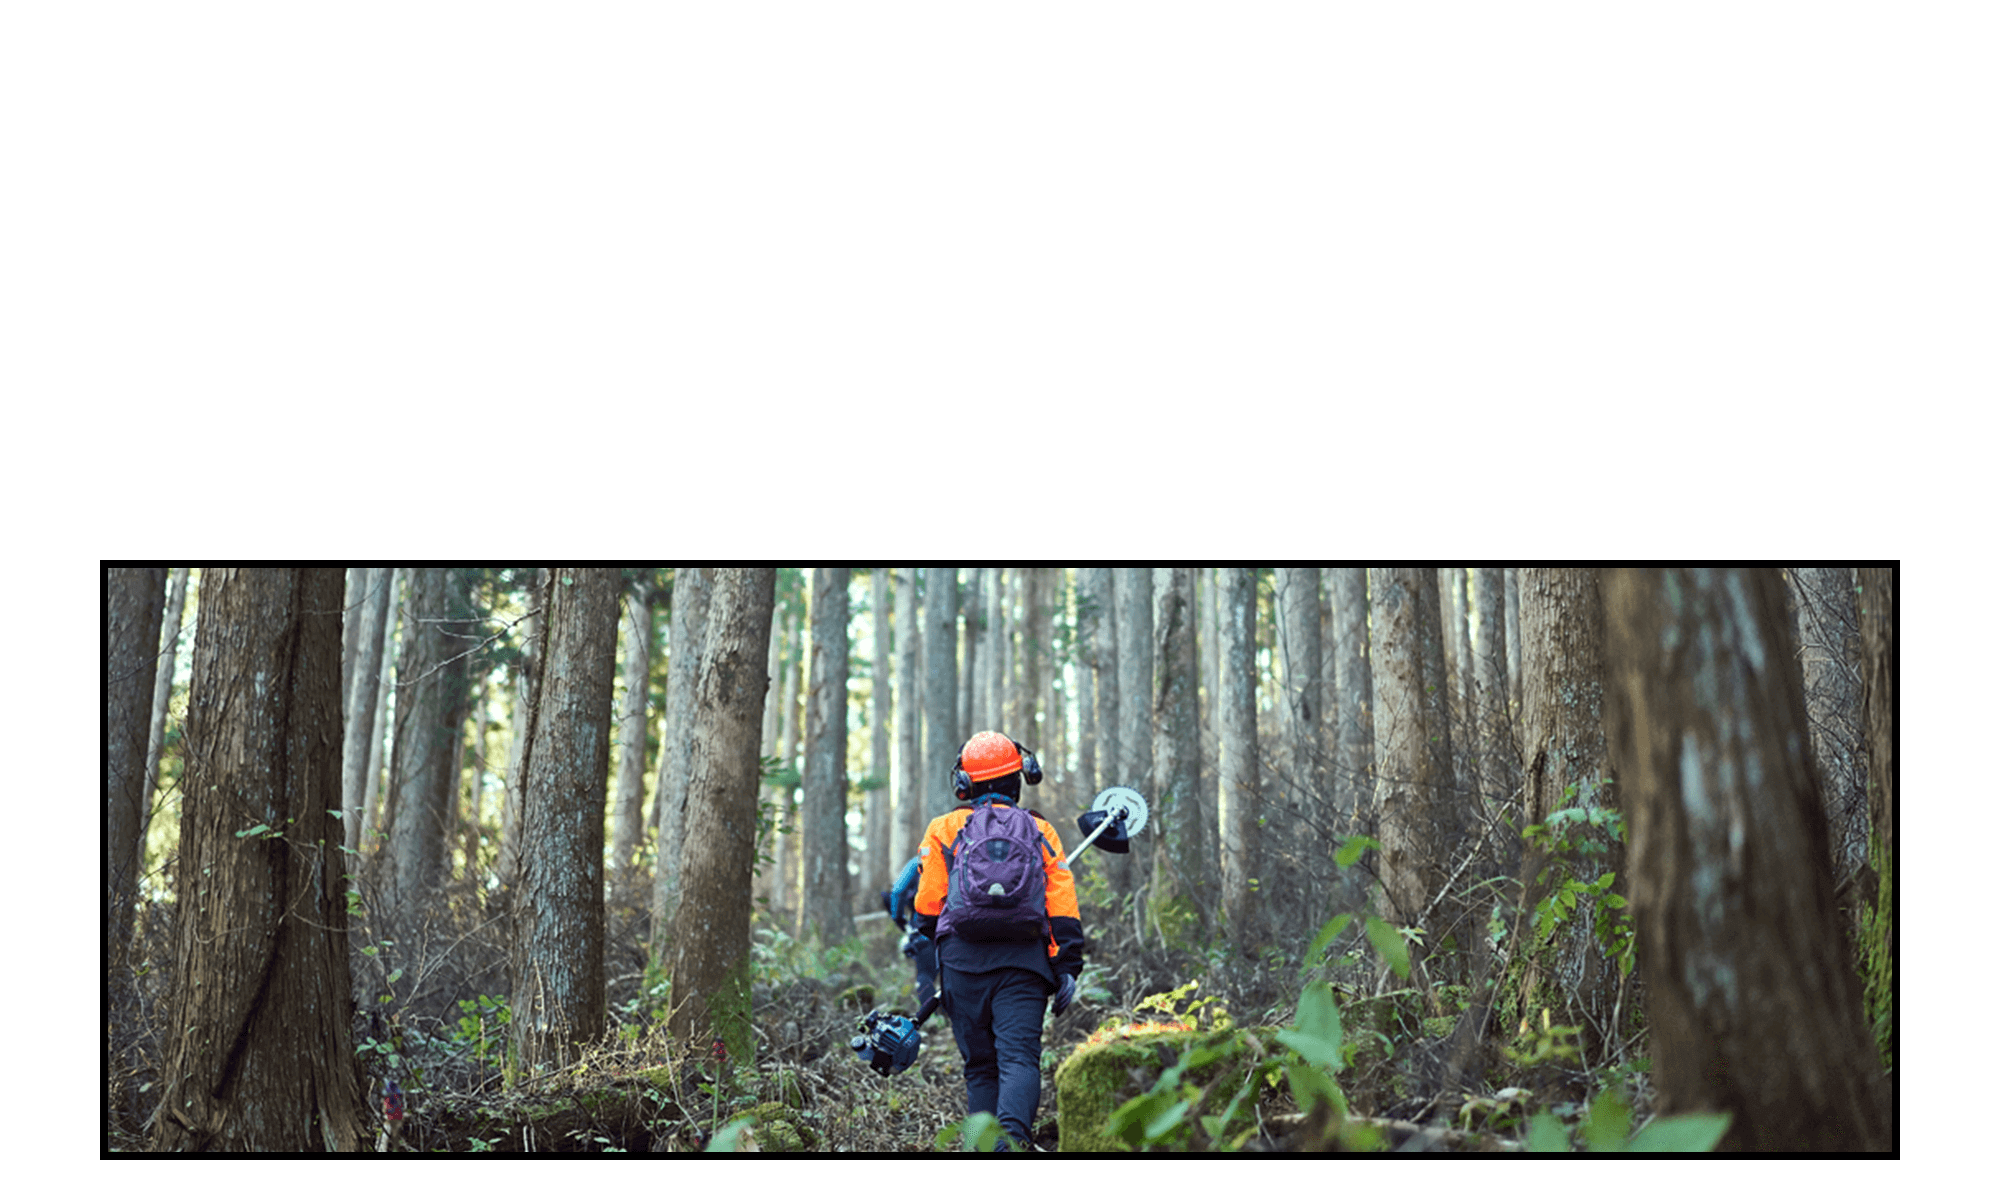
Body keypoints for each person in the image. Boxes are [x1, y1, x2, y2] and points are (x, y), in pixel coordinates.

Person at [913, 731, 1085, 1152]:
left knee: (980, 1069)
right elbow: (1062, 904)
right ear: (1019, 779)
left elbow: (927, 909)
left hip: (961, 964)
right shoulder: (1041, 829)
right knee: (1019, 1059)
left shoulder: (943, 829)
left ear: (965, 785)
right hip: (1024, 966)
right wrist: (1067, 966)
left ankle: (983, 1147)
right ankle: (1009, 1143)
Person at [882, 854, 937, 1012]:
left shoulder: (918, 862)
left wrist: (901, 921)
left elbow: (898, 891)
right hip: (953, 928)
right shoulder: (960, 855)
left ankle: (932, 1016)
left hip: (922, 927)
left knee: (925, 974)